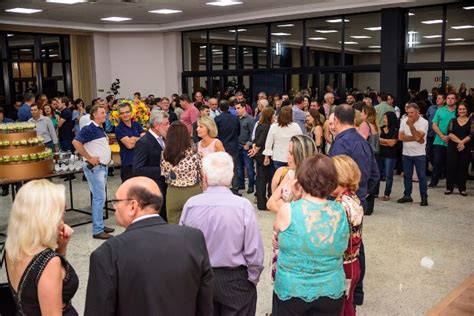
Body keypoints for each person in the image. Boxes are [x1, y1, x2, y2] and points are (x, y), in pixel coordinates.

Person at [84, 177, 213, 315]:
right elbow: (205, 303)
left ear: (133, 206)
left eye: (117, 202)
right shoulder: (193, 238)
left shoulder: (107, 253)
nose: (115, 208)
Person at [180, 152, 264, 315]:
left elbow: (183, 248)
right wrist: (251, 279)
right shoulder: (242, 206)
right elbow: (254, 251)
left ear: (204, 176)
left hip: (200, 277)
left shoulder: (191, 205)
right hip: (235, 279)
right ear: (232, 176)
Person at [272, 155, 349, 315]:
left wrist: (295, 194)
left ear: (301, 179)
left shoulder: (289, 210)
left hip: (293, 289)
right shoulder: (339, 211)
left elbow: (277, 234)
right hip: (330, 288)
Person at [329, 104, 379, 307]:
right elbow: (375, 174)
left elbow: (332, 176)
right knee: (357, 244)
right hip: (358, 201)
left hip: (340, 201)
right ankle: (357, 291)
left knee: (342, 247)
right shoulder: (363, 142)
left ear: (338, 120)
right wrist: (362, 193)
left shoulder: (341, 145)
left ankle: (344, 289)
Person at [4, 180, 79, 315]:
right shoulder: (49, 262)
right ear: (46, 217)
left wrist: (61, 248)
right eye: (61, 213)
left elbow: (33, 292)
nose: (62, 220)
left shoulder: (12, 247)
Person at [72, 104, 115, 239]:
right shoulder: (89, 128)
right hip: (95, 169)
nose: (105, 115)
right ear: (94, 115)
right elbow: (76, 142)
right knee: (99, 198)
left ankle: (100, 224)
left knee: (100, 197)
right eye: (102, 113)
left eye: (105, 112)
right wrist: (89, 158)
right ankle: (97, 229)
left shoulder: (99, 128)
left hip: (102, 167)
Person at [331, 155, 364, 316]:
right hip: (353, 262)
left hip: (343, 266)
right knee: (347, 305)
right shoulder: (353, 198)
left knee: (341, 308)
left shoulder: (340, 206)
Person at [161, 121, 202, 224]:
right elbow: (201, 171)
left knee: (174, 224)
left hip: (173, 192)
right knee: (194, 223)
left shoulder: (164, 154)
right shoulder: (194, 153)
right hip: (193, 190)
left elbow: (164, 173)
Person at [133, 110, 170, 221]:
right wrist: (162, 170)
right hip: (154, 188)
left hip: (164, 186)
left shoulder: (163, 138)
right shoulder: (144, 142)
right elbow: (138, 169)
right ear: (157, 126)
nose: (169, 126)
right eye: (166, 124)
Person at [397, 103, 429, 206]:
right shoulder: (403, 120)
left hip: (420, 154)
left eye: (411, 112)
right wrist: (416, 138)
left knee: (422, 176)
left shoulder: (424, 122)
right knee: (407, 175)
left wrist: (411, 126)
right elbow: (400, 137)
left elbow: (420, 138)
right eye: (408, 113)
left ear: (417, 112)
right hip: (406, 153)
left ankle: (424, 197)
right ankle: (407, 196)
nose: (409, 115)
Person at [249, 106, 275, 211]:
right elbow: (261, 141)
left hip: (258, 155)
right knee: (264, 179)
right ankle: (262, 203)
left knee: (260, 178)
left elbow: (255, 139)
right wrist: (256, 149)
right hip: (264, 154)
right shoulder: (267, 126)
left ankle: (260, 202)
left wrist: (254, 149)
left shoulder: (259, 124)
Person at [429, 93, 457, 187]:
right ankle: (434, 182)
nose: (450, 100)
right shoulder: (440, 111)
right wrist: (442, 136)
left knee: (452, 163)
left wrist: (448, 137)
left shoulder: (458, 111)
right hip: (439, 140)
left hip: (453, 141)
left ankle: (453, 183)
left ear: (456, 100)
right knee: (437, 162)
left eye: (452, 98)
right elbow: (434, 125)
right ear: (446, 100)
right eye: (448, 98)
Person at [215, 100, 241, 195]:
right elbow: (238, 131)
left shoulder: (217, 119)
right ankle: (235, 188)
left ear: (220, 108)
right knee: (234, 168)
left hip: (221, 146)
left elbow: (215, 133)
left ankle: (222, 188)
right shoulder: (235, 118)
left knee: (222, 168)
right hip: (233, 145)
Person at [114, 102, 145, 182]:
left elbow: (145, 140)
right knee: (129, 192)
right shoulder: (119, 128)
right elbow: (129, 145)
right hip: (128, 164)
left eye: (127, 112)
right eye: (122, 113)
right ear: (119, 115)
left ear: (131, 112)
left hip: (141, 163)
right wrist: (139, 139)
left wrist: (134, 138)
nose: (125, 115)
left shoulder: (137, 124)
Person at [446, 103, 472, 196]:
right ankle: (449, 188)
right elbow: (449, 133)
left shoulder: (471, 121)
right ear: (457, 111)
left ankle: (462, 189)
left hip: (465, 148)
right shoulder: (452, 120)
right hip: (453, 147)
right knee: (450, 167)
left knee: (463, 167)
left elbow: (472, 134)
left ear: (467, 110)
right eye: (460, 109)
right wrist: (460, 142)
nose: (462, 111)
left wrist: (462, 143)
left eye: (464, 109)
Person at [235, 101, 256, 194]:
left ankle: (251, 186)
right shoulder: (236, 119)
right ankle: (241, 184)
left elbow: (253, 134)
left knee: (249, 167)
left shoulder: (250, 119)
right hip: (237, 146)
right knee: (239, 167)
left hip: (246, 147)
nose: (237, 110)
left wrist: (248, 144)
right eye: (236, 108)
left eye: (238, 108)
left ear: (244, 108)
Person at [379, 111, 399, 201]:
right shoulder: (381, 128)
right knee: (378, 173)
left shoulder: (395, 129)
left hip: (391, 155)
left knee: (388, 175)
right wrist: (387, 141)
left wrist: (382, 141)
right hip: (381, 153)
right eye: (384, 118)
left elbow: (392, 143)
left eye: (386, 118)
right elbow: (377, 141)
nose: (384, 120)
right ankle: (375, 192)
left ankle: (387, 193)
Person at [425, 94, 445, 172]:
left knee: (439, 155)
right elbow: (427, 118)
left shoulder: (446, 110)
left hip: (440, 136)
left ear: (444, 101)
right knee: (429, 153)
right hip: (430, 135)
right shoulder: (431, 108)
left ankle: (441, 171)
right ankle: (438, 169)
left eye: (439, 98)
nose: (437, 99)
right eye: (437, 98)